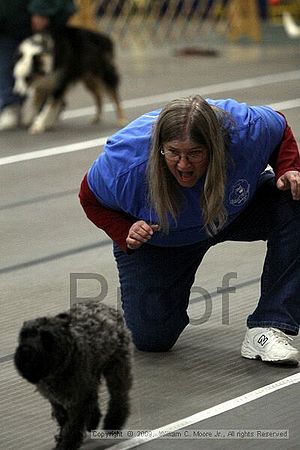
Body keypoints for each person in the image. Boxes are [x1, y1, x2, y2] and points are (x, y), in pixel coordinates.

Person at [79, 95, 300, 366]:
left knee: (296, 197)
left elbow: (280, 128)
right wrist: (125, 229)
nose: (183, 165)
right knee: (152, 338)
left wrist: (288, 168)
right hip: (163, 239)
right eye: (173, 153)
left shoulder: (246, 129)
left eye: (194, 153)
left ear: (216, 146)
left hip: (231, 212)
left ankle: (269, 326)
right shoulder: (124, 165)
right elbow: (89, 198)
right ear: (159, 147)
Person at [0, 0, 76, 130]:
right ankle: (10, 105)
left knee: (46, 66)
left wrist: (42, 9)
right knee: (7, 63)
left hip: (43, 13)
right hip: (8, 18)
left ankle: (49, 104)